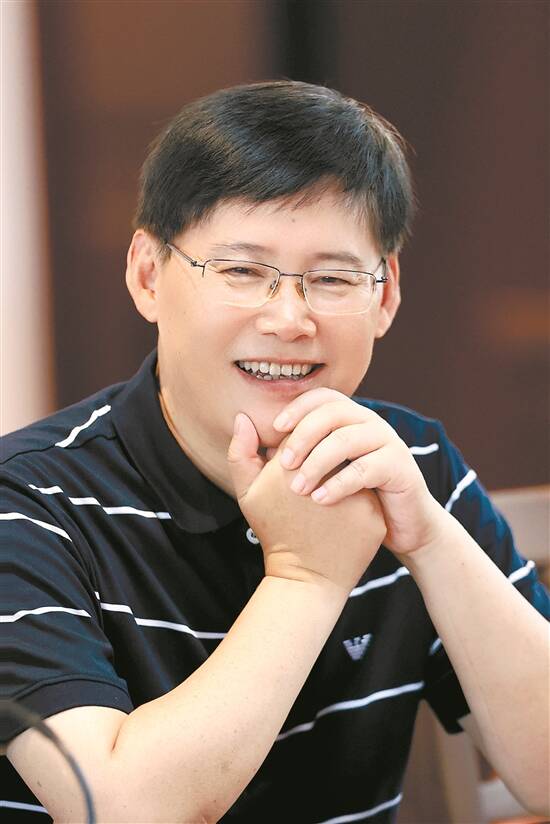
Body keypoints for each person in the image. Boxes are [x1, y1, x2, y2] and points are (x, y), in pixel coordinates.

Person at [1, 80, 548, 824]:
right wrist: (306, 576)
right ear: (148, 274)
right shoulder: (24, 505)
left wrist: (426, 537)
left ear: (385, 295)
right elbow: (122, 811)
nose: (289, 319)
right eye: (241, 271)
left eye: (333, 279)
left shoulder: (408, 465)